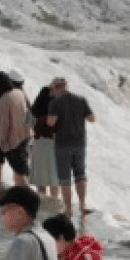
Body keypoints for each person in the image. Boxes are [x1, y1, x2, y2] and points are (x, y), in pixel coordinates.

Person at [46, 77, 96, 216]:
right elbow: (92, 119)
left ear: (57, 88)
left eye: (53, 89)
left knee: (65, 178)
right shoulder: (81, 99)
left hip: (62, 144)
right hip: (79, 143)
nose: (52, 92)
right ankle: (82, 206)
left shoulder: (55, 103)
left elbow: (50, 123)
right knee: (80, 175)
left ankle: (68, 209)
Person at [0, 69, 33, 188]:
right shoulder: (21, 94)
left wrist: (2, 143)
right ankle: (21, 195)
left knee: (20, 173)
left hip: (13, 142)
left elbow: (3, 124)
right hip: (26, 137)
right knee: (21, 171)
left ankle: (25, 198)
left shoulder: (4, 99)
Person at [29, 85, 59, 197]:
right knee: (54, 181)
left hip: (38, 146)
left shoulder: (34, 109)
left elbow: (30, 126)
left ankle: (42, 205)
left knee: (41, 180)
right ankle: (54, 204)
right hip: (53, 146)